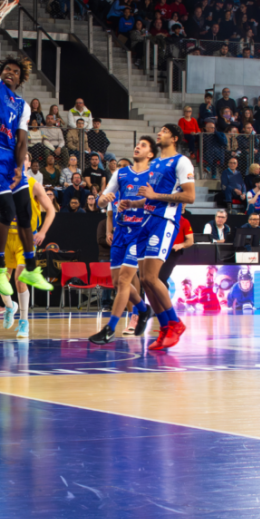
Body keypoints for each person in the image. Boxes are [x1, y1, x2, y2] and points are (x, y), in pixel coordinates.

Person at [0, 22, 53, 299]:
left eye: (15, 72)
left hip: (10, 156)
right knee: (6, 212)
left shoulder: (23, 105)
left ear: (20, 80)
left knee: (26, 213)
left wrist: (20, 167)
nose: (10, 73)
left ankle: (30, 266)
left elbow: (22, 141)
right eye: (7, 69)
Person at [128, 125, 194, 350]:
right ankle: (165, 327)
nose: (160, 133)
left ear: (174, 138)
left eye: (165, 131)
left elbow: (190, 196)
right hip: (146, 220)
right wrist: (133, 203)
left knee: (153, 278)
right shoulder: (154, 163)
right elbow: (150, 198)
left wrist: (155, 195)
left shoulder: (181, 161)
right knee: (145, 280)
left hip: (164, 221)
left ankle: (175, 322)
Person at [0, 154, 57, 339]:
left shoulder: (34, 185)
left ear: (29, 164)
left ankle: (24, 321)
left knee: (20, 280)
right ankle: (9, 306)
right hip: (6, 239)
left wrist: (43, 232)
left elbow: (51, 210)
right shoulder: (5, 184)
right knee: (0, 281)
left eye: (25, 159)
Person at [92, 135, 157, 344]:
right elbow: (100, 202)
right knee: (116, 282)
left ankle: (110, 329)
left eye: (143, 145)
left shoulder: (155, 175)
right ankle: (143, 309)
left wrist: (138, 203)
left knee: (124, 281)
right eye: (137, 144)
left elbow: (159, 202)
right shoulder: (120, 173)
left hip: (140, 232)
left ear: (151, 154)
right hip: (120, 231)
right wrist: (105, 199)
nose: (138, 147)